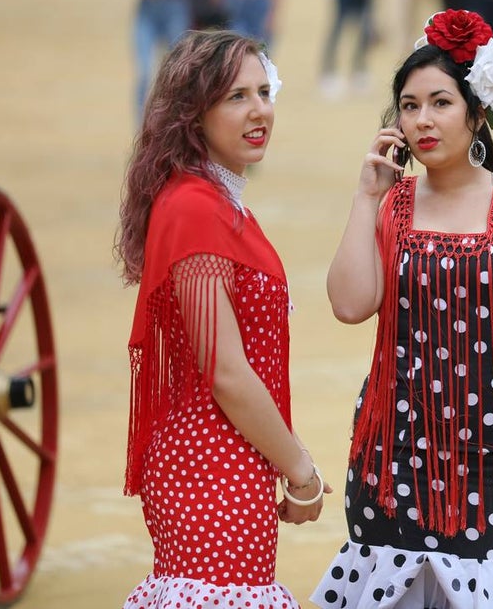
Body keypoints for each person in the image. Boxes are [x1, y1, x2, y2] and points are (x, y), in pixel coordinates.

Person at [311, 9, 493, 607]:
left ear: (478, 111)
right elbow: (350, 305)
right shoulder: (392, 206)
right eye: (409, 106)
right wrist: (365, 198)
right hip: (393, 460)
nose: (422, 121)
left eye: (439, 103)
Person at [116, 31, 331, 608]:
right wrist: (301, 470)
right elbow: (227, 372)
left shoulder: (215, 200)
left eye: (264, 90)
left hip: (229, 456)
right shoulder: (194, 207)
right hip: (209, 467)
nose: (260, 109)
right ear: (194, 114)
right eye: (236, 97)